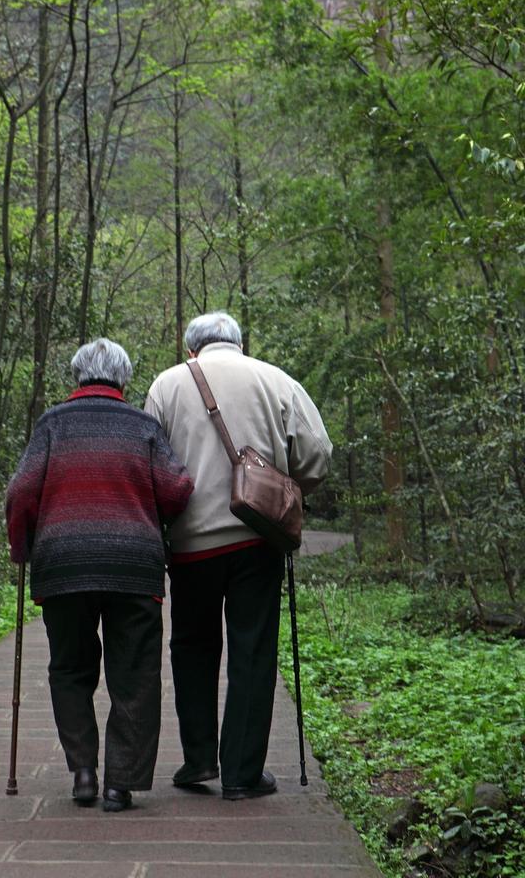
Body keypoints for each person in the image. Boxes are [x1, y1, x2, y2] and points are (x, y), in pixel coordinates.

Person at [145, 312, 332, 800]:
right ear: (239, 343)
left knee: (192, 647)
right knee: (252, 650)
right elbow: (317, 455)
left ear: (193, 351)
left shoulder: (166, 385)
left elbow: (150, 462)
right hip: (257, 537)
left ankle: (199, 759)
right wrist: (285, 489)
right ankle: (243, 774)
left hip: (190, 543)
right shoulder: (276, 379)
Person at [6, 338, 193, 812]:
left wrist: (22, 548)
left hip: (63, 564)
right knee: (135, 675)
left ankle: (83, 773)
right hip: (134, 566)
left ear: (77, 376)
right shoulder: (143, 426)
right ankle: (120, 784)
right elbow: (175, 491)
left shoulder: (52, 424)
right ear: (124, 379)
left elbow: (21, 492)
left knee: (70, 668)